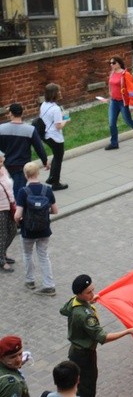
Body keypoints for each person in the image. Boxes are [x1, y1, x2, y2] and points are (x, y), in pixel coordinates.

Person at [60, 274, 133, 397]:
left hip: (75, 352)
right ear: (80, 294)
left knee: (79, 384)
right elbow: (102, 337)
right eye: (88, 292)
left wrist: (88, 301)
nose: (93, 294)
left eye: (93, 290)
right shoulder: (85, 316)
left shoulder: (74, 302)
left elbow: (63, 310)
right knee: (87, 386)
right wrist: (127, 331)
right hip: (85, 356)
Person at [15, 161, 58, 296]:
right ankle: (49, 285)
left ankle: (30, 281)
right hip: (44, 230)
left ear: (25, 175)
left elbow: (17, 215)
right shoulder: (47, 190)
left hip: (28, 231)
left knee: (27, 254)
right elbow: (55, 210)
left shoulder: (23, 192)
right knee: (44, 256)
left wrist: (19, 221)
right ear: (38, 173)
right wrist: (44, 213)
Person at [0, 103, 50, 197]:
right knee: (18, 190)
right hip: (22, 164)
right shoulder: (30, 130)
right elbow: (38, 147)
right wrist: (45, 161)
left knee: (10, 186)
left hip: (6, 164)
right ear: (22, 114)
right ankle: (18, 209)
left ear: (10, 114)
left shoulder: (1, 129)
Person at [105, 56, 133, 151]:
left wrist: (131, 104)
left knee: (128, 121)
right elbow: (112, 87)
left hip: (123, 102)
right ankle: (114, 143)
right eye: (110, 63)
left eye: (114, 63)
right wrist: (110, 97)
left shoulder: (126, 74)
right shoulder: (112, 73)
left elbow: (131, 90)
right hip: (114, 101)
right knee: (111, 123)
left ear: (119, 63)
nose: (111, 65)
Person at [41, 83, 68, 191]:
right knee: (58, 158)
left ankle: (51, 178)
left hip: (46, 135)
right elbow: (58, 126)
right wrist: (66, 120)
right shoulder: (56, 109)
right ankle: (55, 183)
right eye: (59, 91)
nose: (60, 93)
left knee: (56, 156)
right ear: (54, 94)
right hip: (55, 136)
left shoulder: (43, 105)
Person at [0, 151, 16, 274]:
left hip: (9, 205)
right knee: (2, 234)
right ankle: (1, 260)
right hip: (0, 208)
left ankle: (3, 252)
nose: (2, 162)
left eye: (2, 160)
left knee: (12, 230)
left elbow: (9, 186)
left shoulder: (4, 170)